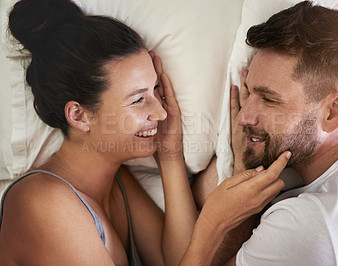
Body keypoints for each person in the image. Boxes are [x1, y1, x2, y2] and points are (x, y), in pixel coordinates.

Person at [0, 0, 290, 265]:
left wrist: (170, 156)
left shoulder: (116, 181)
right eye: (138, 100)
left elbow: (176, 260)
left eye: (155, 90)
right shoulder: (43, 204)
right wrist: (213, 223)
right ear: (79, 115)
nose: (161, 113)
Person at [187, 1, 338, 265]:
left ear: (333, 111)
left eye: (269, 99)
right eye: (249, 92)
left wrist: (212, 222)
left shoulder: (308, 223)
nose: (243, 117)